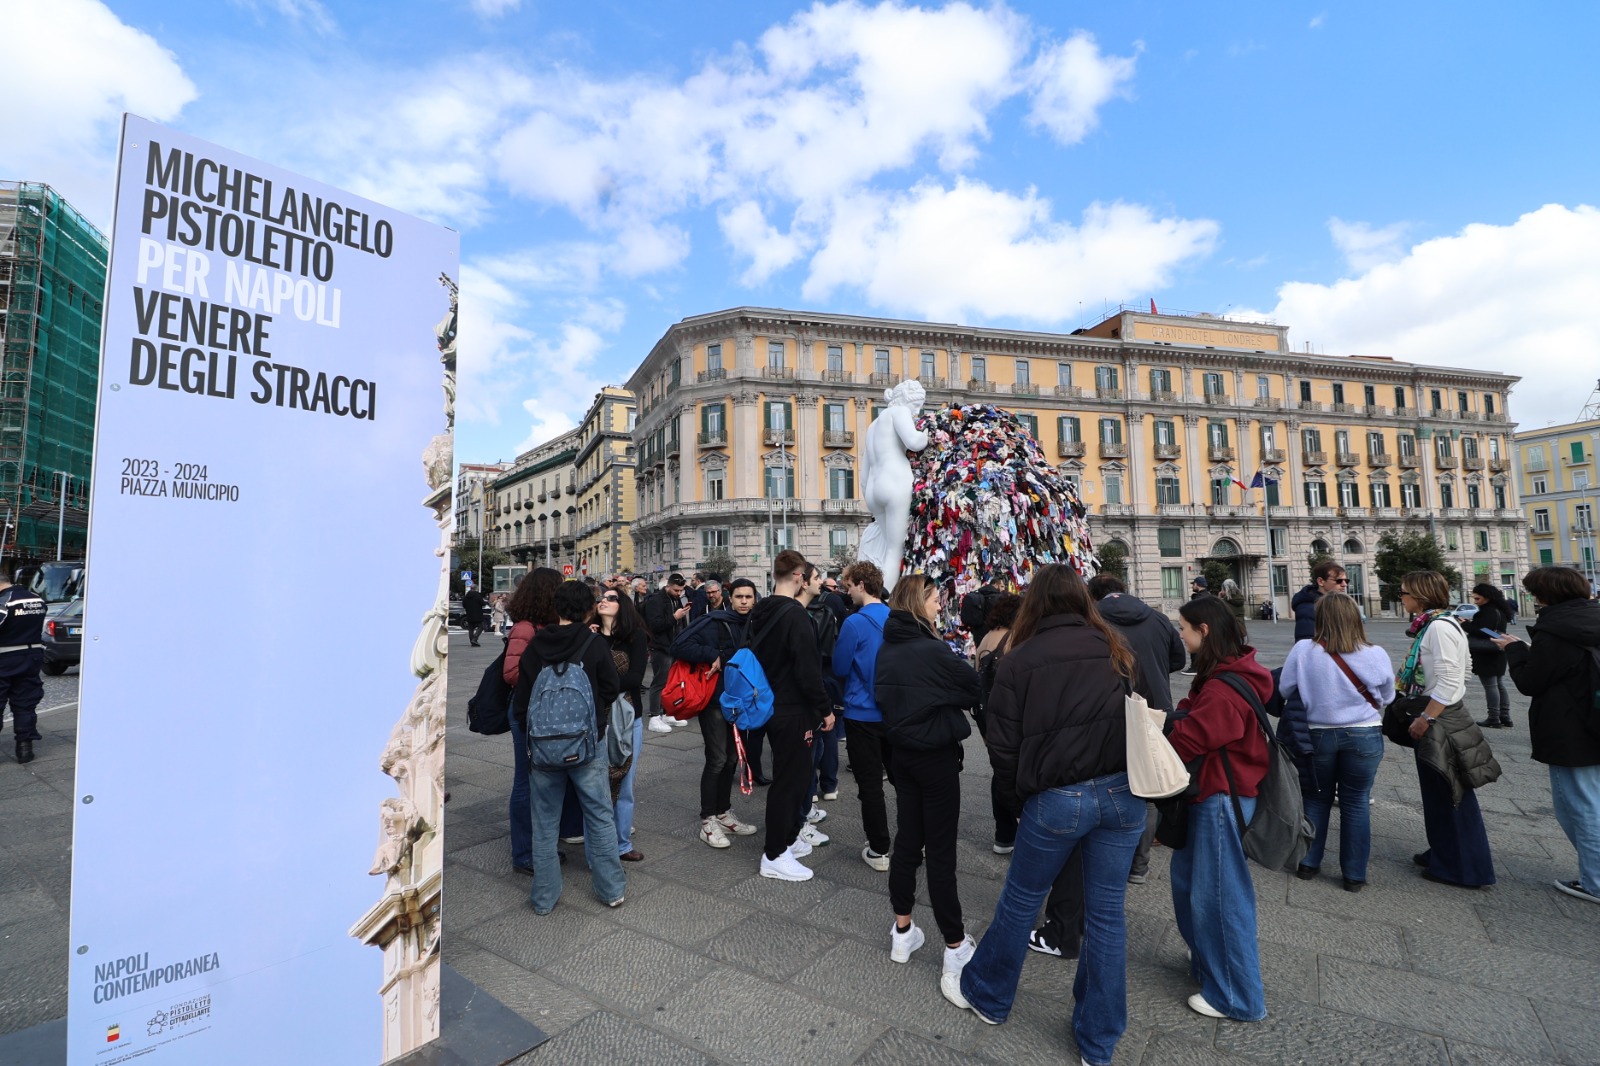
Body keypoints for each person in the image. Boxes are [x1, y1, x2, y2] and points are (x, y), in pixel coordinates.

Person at [943, 565, 1146, 1066]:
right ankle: (1098, 1042)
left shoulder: (1019, 658)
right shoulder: (1115, 646)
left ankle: (989, 995)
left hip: (1058, 797)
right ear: (1083, 601)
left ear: (1035, 604)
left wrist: (1019, 802)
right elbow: (1148, 713)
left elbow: (1003, 747)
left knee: (1020, 900)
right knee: (1106, 917)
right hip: (1124, 795)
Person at [1166, 595, 1270, 1022]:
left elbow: (1193, 737)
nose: (1181, 634)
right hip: (1213, 794)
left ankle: (1238, 996)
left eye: (1184, 628)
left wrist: (1160, 733)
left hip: (1221, 796)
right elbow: (1194, 717)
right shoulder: (1223, 673)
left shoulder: (1225, 685)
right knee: (1190, 884)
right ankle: (1209, 964)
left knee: (1220, 898)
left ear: (1204, 630)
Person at [875, 574, 982, 973]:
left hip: (902, 756)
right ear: (920, 603)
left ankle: (902, 932)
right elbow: (973, 688)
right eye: (936, 599)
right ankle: (955, 943)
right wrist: (943, 697)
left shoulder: (887, 648)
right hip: (935, 758)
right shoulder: (932, 650)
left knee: (907, 841)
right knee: (940, 851)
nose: (940, 606)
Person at [512, 580, 624, 913]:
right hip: (586, 745)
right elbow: (611, 687)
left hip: (544, 749)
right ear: (588, 608)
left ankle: (544, 897)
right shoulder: (593, 644)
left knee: (544, 823)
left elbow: (522, 703)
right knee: (599, 816)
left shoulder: (535, 646)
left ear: (556, 608)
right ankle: (611, 890)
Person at [1496, 566, 1600, 904]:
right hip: (1594, 720)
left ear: (1546, 595)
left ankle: (1595, 881)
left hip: (1570, 729)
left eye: (1532, 592)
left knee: (1578, 806)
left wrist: (1515, 649)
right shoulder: (1592, 618)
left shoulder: (1553, 630)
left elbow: (1530, 681)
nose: (1531, 597)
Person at [1278, 593, 1395, 891]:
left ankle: (1308, 862)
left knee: (1316, 797)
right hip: (1364, 733)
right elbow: (1387, 694)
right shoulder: (1375, 652)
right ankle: (1354, 874)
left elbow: (1286, 688)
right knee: (1356, 802)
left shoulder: (1304, 649)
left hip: (1317, 733)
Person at [1397, 570, 1498, 890]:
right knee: (1439, 790)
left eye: (1403, 593)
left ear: (1420, 595)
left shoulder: (1438, 627)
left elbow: (1453, 677)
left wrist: (1428, 716)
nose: (1401, 598)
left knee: (1450, 791)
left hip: (1439, 716)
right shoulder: (1439, 623)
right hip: (1441, 710)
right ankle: (1444, 851)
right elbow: (1465, 667)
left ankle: (1462, 867)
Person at [1089, 573, 1186, 887]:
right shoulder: (1157, 618)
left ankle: (1110, 855)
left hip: (1112, 711)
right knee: (1149, 784)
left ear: (1095, 596)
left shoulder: (1091, 620)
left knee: (1112, 780)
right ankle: (1139, 866)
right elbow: (1178, 659)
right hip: (1158, 708)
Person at [750, 550, 835, 882]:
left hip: (771, 703)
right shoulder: (795, 616)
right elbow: (807, 672)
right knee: (791, 782)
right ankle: (775, 853)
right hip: (793, 709)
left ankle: (785, 841)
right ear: (799, 577)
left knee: (790, 778)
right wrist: (825, 709)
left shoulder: (761, 609)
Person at [671, 578, 762, 848]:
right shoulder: (713, 620)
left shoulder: (755, 623)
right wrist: (715, 654)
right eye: (739, 596)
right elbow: (679, 646)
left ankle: (723, 813)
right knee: (717, 758)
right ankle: (707, 820)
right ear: (729, 597)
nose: (744, 601)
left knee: (733, 758)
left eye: (749, 596)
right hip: (713, 700)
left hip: (740, 700)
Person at [501, 568, 563, 874]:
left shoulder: (546, 625)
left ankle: (542, 845)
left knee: (544, 781)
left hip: (543, 709)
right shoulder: (525, 627)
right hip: (525, 710)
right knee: (525, 782)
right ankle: (524, 853)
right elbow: (511, 673)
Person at [834, 561, 894, 871]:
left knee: (870, 784)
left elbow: (841, 668)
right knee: (906, 780)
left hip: (862, 713)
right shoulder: (899, 617)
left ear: (860, 584)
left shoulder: (853, 623)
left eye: (848, 585)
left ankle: (879, 848)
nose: (847, 591)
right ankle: (915, 843)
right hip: (896, 712)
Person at [591, 588, 650, 862]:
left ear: (623, 605)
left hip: (628, 719)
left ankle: (622, 843)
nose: (604, 599)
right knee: (597, 785)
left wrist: (604, 685)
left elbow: (635, 677)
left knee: (624, 783)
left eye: (612, 597)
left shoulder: (635, 636)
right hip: (595, 718)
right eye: (602, 597)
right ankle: (598, 848)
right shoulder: (589, 636)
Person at [975, 592, 1023, 856]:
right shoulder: (1017, 639)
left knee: (999, 772)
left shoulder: (986, 638)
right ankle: (1016, 829)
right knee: (1016, 773)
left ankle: (1002, 834)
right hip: (1010, 717)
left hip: (988, 717)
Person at [0, 575, 46, 764]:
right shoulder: (36, 598)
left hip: (4, 658)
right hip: (32, 657)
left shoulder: (4, 601)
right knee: (25, 703)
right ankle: (25, 749)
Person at [643, 574, 692, 733]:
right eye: (676, 590)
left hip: (672, 646)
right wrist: (675, 617)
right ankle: (654, 716)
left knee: (670, 682)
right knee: (659, 682)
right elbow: (655, 625)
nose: (679, 593)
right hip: (660, 647)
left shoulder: (675, 599)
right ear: (668, 586)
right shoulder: (656, 600)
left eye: (681, 590)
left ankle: (666, 713)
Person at [1464, 583, 1514, 728]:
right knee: (1499, 684)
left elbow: (1486, 631)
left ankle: (1493, 718)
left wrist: (1465, 625)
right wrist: (1499, 636)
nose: (1474, 598)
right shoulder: (1500, 610)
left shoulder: (1487, 611)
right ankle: (1504, 716)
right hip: (1498, 649)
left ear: (1487, 596)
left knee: (1491, 685)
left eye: (1477, 596)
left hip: (1486, 651)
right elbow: (1493, 631)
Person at [1291, 561, 1348, 642]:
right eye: (1339, 581)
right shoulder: (1308, 608)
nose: (1344, 584)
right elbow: (1306, 642)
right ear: (1321, 581)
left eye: (1346, 581)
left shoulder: (1338, 604)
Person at [961, 576, 1006, 648]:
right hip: (992, 633)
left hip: (977, 631)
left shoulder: (980, 593)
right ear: (995, 585)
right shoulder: (997, 598)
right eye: (1001, 586)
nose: (1003, 589)